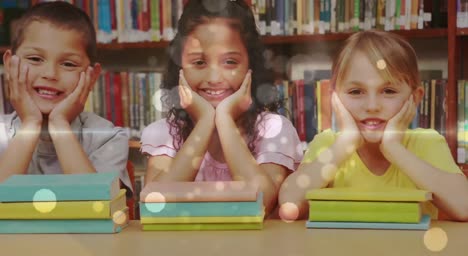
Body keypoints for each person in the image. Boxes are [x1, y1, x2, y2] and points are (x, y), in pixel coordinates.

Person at [278, 30, 468, 222]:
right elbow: (289, 206)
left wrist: (394, 149)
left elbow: (464, 206)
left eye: (388, 91)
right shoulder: (328, 144)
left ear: (415, 97)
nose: (372, 106)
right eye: (356, 91)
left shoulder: (426, 142)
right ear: (335, 98)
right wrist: (345, 143)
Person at [140, 0, 303, 215]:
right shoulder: (164, 132)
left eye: (230, 62)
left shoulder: (274, 129)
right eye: (199, 62)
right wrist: (205, 122)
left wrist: (224, 119)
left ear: (250, 66)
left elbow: (263, 202)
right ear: (179, 67)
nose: (214, 78)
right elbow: (154, 205)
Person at [0, 1, 132, 193]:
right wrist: (30, 123)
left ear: (92, 76)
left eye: (68, 64)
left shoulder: (107, 138)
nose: (50, 74)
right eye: (35, 59)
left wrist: (59, 124)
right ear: (11, 65)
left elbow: (97, 207)